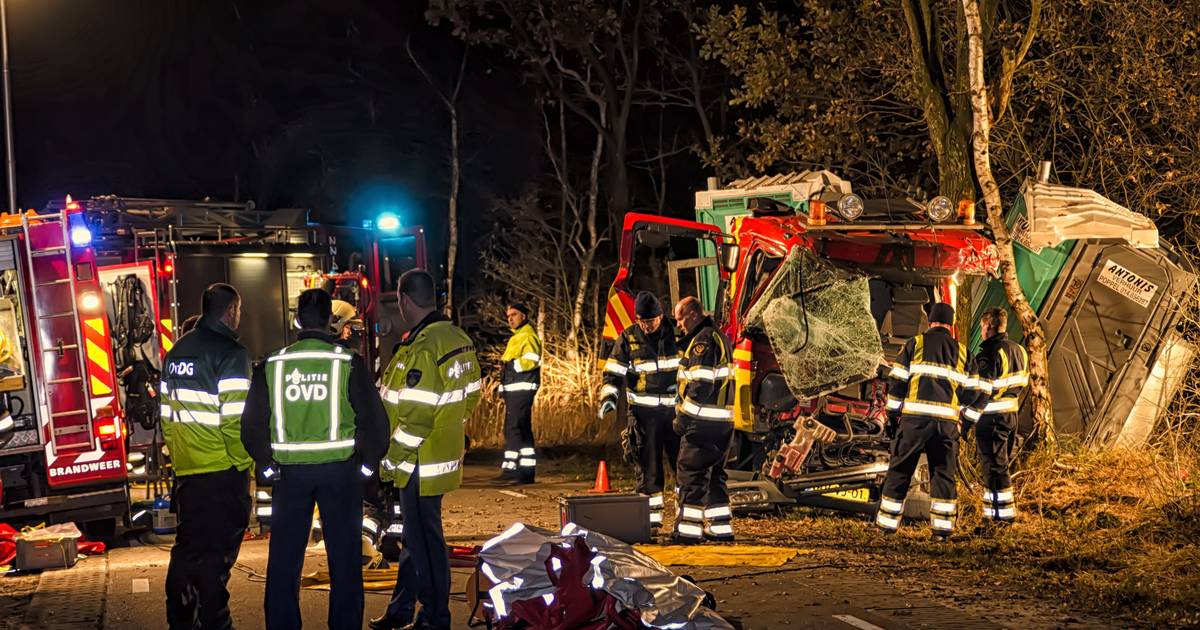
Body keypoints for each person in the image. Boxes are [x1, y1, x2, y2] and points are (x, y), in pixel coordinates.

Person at [240, 289, 390, 630]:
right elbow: (375, 423)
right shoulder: (347, 362)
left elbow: (251, 424)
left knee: (284, 560)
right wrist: (365, 469)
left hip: (288, 477)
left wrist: (265, 466)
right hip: (340, 475)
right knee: (345, 561)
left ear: (296, 320)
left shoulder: (272, 365)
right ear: (328, 321)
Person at [370, 270, 482, 630]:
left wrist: (389, 462)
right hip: (437, 456)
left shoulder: (423, 347)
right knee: (414, 539)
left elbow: (416, 420)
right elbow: (472, 395)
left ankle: (435, 617)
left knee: (426, 544)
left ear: (403, 299)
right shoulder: (456, 337)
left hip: (417, 459)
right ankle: (402, 609)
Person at [161, 283, 253, 629]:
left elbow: (166, 419)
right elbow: (235, 422)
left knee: (187, 551)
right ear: (231, 311)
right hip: (222, 472)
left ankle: (181, 619)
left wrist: (180, 458)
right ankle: (217, 622)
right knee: (217, 559)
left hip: (188, 472)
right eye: (239, 311)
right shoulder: (231, 354)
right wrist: (245, 463)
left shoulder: (177, 352)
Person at [874, 303, 988, 541]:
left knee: (900, 471)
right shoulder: (964, 352)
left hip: (914, 422)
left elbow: (897, 383)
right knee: (943, 475)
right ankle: (942, 531)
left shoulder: (915, 344)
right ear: (951, 325)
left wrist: (894, 415)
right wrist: (961, 419)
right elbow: (974, 393)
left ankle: (886, 526)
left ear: (931, 321)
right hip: (946, 425)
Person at [600, 292, 682, 528]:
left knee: (683, 467)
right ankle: (651, 524)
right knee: (648, 470)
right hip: (644, 417)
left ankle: (685, 519)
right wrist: (609, 397)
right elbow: (613, 371)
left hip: (676, 414)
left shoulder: (678, 333)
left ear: (660, 315)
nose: (646, 326)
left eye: (651, 321)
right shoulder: (628, 337)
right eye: (642, 321)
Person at [671, 297, 735, 544]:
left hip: (702, 423)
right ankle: (721, 530)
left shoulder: (703, 341)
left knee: (691, 476)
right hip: (722, 424)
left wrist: (684, 418)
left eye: (680, 317)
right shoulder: (717, 336)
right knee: (715, 477)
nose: (678, 324)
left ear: (694, 315)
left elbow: (700, 384)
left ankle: (686, 533)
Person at [964, 307, 1028, 529]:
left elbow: (983, 392)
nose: (982, 331)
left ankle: (1004, 519)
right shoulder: (1019, 350)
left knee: (994, 468)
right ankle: (992, 517)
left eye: (982, 327)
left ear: (988, 326)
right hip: (1011, 416)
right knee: (998, 467)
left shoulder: (990, 353)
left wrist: (966, 421)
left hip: (991, 418)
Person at [495, 302, 542, 485]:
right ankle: (526, 473)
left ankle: (511, 469)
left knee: (514, 428)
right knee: (522, 429)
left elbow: (532, 361)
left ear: (523, 316)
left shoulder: (527, 336)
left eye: (514, 314)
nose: (510, 319)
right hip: (515, 390)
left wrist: (510, 366)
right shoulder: (517, 337)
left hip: (521, 389)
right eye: (508, 316)